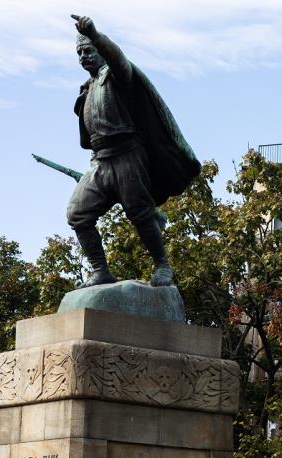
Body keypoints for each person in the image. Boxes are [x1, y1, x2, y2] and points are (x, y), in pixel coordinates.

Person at [66, 14, 200, 288]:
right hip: (99, 161)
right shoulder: (88, 87)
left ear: (100, 51)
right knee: (77, 213)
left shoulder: (117, 76)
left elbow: (117, 59)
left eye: (88, 51)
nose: (83, 57)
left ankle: (162, 266)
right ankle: (101, 271)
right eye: (79, 53)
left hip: (127, 155)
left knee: (140, 213)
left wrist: (95, 34)